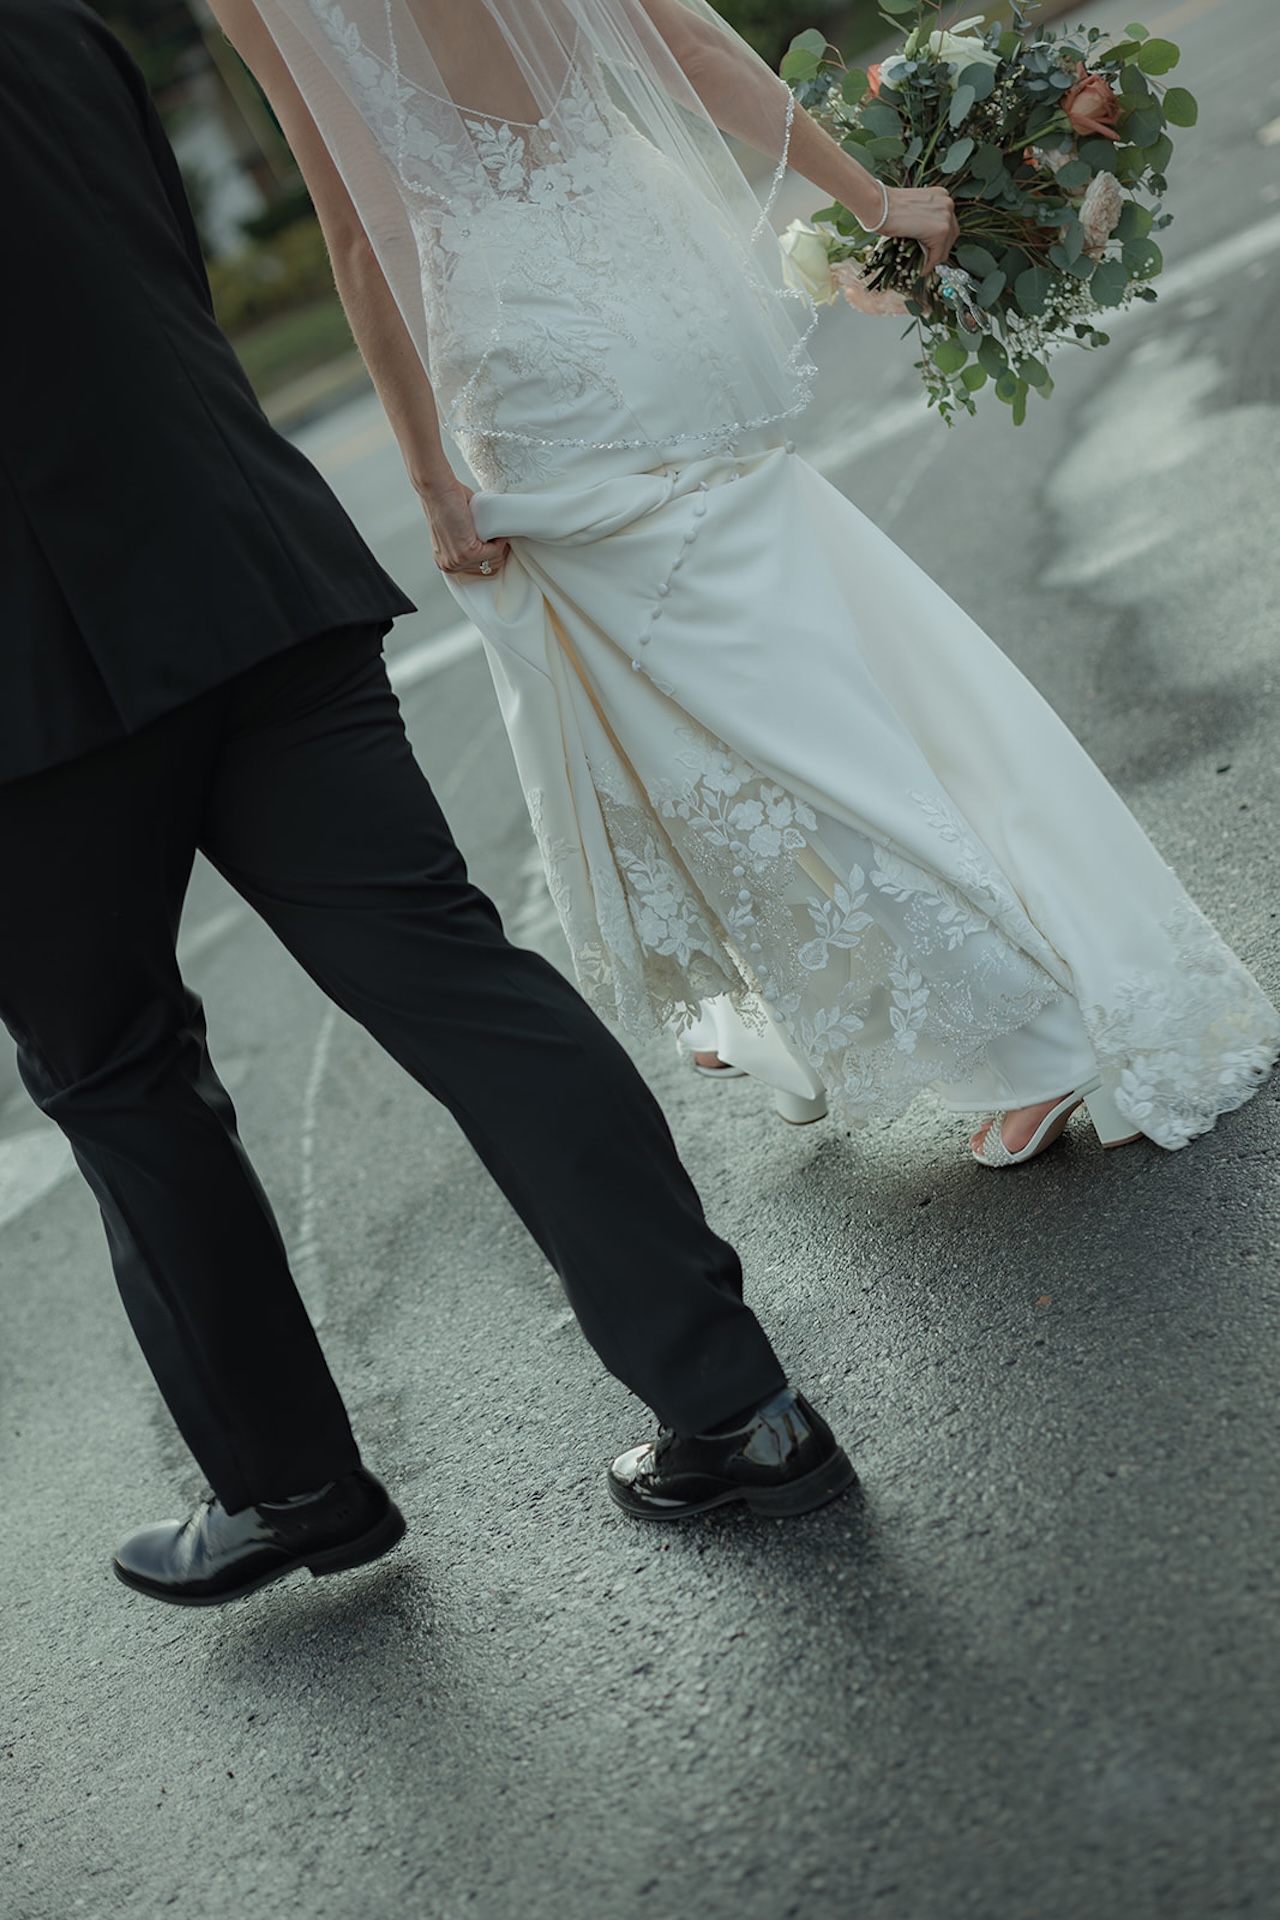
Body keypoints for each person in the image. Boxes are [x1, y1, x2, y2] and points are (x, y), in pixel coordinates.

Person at [0, 0, 859, 1610]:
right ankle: (741, 1405)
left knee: (117, 1078)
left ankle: (293, 1487)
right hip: (245, 567)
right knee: (456, 976)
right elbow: (154, 269)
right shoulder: (54, 28)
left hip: (32, 700)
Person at [207, 0, 1279, 1168]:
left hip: (532, 356)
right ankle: (811, 1003)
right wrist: (873, 200)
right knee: (797, 656)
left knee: (743, 710)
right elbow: (692, 47)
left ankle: (1034, 1036)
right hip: (663, 287)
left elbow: (363, 230)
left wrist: (429, 478)